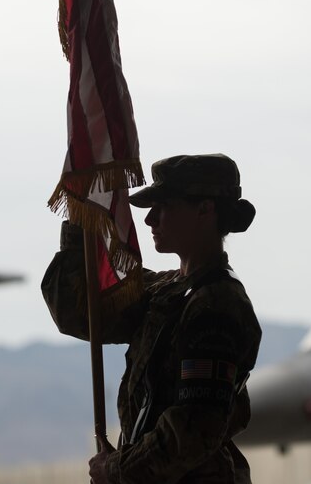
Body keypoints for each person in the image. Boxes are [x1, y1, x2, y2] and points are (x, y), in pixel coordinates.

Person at [42, 154, 262, 483]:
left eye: (165, 205)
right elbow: (79, 312)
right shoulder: (167, 292)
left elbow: (193, 429)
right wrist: (80, 221)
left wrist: (117, 469)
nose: (150, 220)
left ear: (205, 209)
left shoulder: (216, 307)